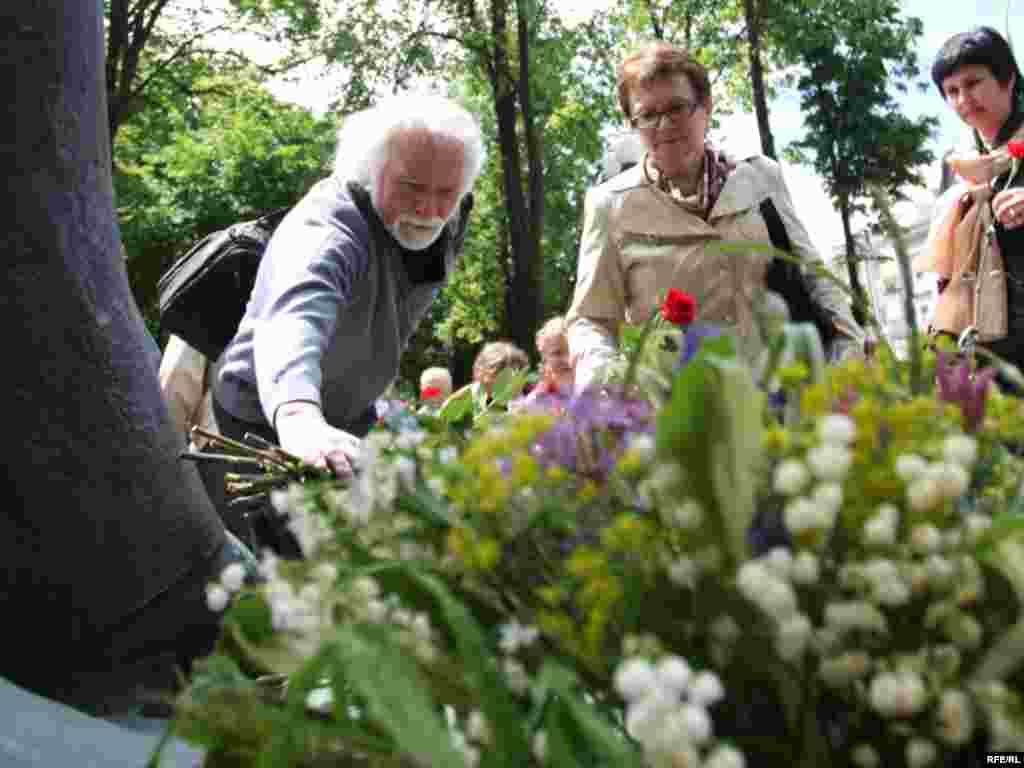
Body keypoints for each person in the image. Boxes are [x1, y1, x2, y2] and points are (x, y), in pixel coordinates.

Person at [201, 93, 485, 551]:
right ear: (370, 171)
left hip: (350, 417)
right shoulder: (325, 231)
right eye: (410, 187)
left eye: (446, 193)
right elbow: (295, 316)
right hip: (266, 420)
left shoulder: (449, 217)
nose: (429, 210)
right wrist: (298, 417)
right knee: (290, 565)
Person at [566, 41, 864, 392]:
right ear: (633, 122)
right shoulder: (610, 205)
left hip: (784, 397)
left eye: (677, 108)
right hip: (680, 416)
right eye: (648, 115)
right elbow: (591, 318)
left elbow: (814, 277)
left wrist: (849, 351)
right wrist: (602, 382)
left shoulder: (760, 179)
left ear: (705, 106)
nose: (664, 125)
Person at [916, 27, 1024, 377]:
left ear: (1007, 79)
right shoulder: (958, 166)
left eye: (973, 83)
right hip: (987, 351)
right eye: (951, 91)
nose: (963, 100)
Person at [527, 315, 574, 399]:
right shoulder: (538, 399)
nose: (567, 359)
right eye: (557, 353)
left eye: (572, 351)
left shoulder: (595, 392)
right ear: (544, 356)